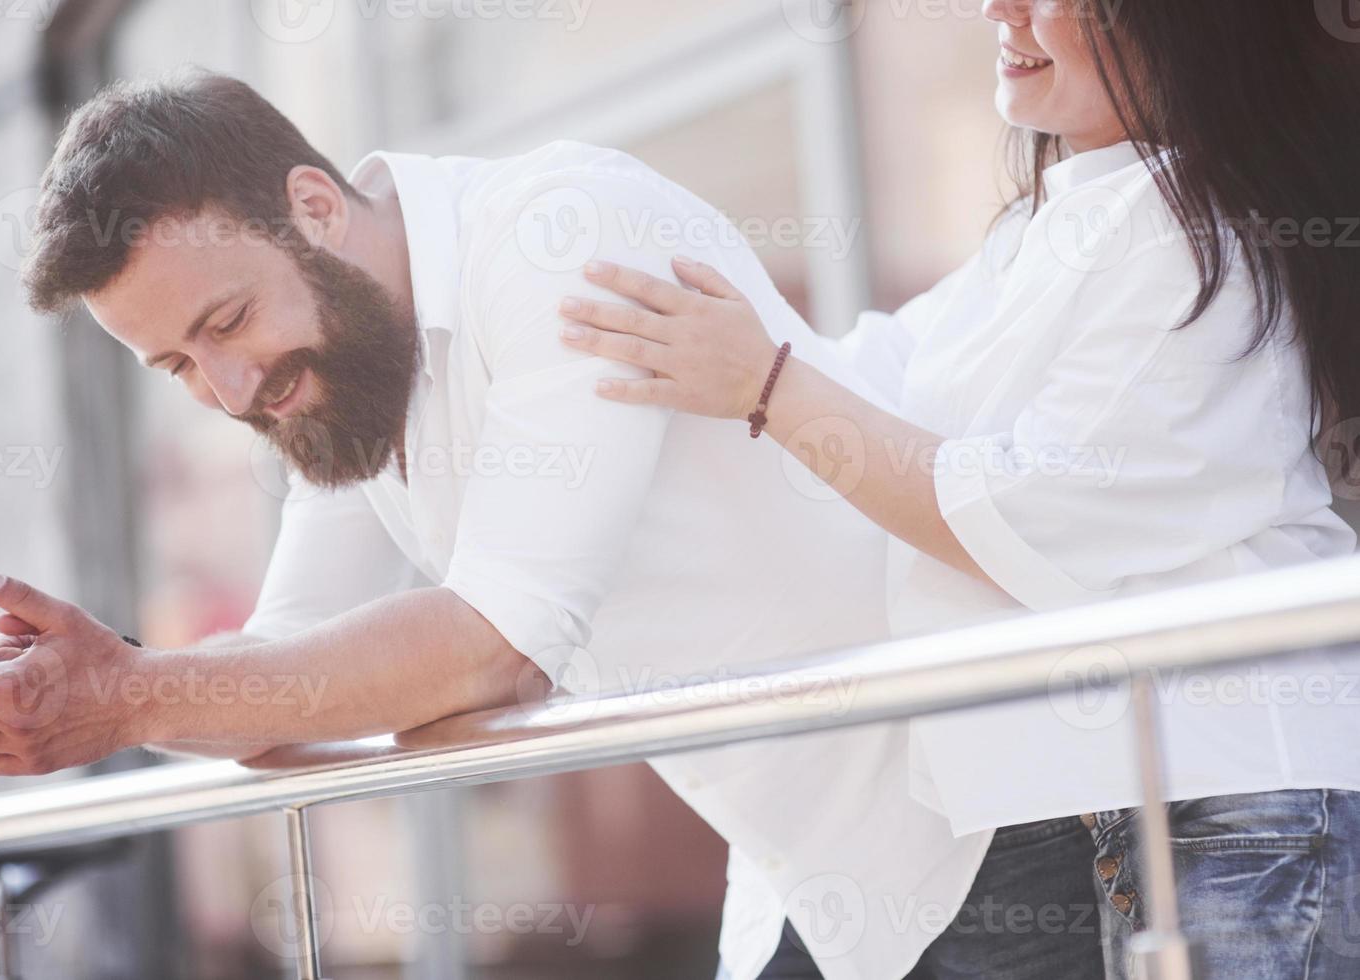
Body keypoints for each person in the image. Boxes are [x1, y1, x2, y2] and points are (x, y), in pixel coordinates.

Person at [0, 70, 994, 980]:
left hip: (977, 821)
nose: (227, 387)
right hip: (807, 879)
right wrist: (115, 678)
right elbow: (278, 678)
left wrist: (142, 698)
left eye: (225, 322)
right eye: (177, 365)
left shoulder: (559, 235)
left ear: (312, 206)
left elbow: (495, 640)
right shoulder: (342, 369)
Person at [555, 1, 1360, 978]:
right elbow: (868, 375)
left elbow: (1013, 512)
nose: (1000, 10)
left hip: (1241, 795)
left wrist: (765, 385)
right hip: (1153, 799)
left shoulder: (1190, 237)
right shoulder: (1046, 230)